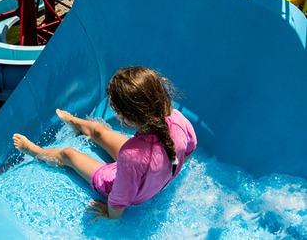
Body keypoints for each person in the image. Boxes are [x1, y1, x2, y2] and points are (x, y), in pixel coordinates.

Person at [13, 67, 197, 220]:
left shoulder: (131, 154)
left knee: (68, 154)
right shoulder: (177, 119)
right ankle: (74, 122)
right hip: (148, 170)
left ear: (127, 116)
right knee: (99, 131)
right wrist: (163, 171)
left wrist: (111, 217)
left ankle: (33, 150)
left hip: (134, 187)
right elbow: (190, 149)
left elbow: (119, 198)